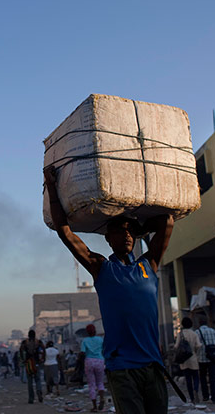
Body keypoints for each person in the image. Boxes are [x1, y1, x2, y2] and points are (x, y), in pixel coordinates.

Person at [45, 166, 174, 414]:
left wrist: (139, 227)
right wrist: (51, 185)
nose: (126, 235)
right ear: (107, 238)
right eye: (119, 230)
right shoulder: (101, 268)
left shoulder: (149, 265)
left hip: (153, 365)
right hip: (122, 368)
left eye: (129, 231)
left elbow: (167, 222)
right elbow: (64, 231)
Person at [174, 317, 201, 405]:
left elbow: (176, 346)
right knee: (196, 377)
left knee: (188, 379)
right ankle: (196, 389)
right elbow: (198, 345)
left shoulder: (180, 334)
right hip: (193, 358)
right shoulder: (194, 334)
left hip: (184, 360)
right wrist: (194, 351)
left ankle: (192, 398)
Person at [81, 323, 106, 412]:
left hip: (89, 362)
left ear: (87, 332)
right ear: (95, 331)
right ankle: (102, 398)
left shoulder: (85, 341)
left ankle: (95, 407)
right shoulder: (100, 339)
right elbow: (104, 349)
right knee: (100, 382)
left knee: (92, 385)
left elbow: (82, 352)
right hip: (100, 361)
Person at [195, 319, 215, 404]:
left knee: (203, 378)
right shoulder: (213, 331)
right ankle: (214, 397)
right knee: (213, 378)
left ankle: (205, 396)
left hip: (202, 359)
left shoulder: (197, 332)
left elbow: (196, 345)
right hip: (212, 359)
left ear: (199, 324)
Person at [20, 330, 46, 403]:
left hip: (28, 363)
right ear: (35, 335)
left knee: (30, 381)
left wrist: (23, 359)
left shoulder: (25, 342)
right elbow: (44, 350)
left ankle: (31, 398)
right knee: (38, 380)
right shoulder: (38, 342)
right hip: (36, 363)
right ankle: (39, 391)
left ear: (28, 335)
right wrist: (42, 359)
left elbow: (21, 350)